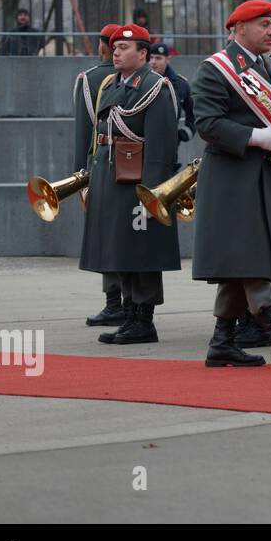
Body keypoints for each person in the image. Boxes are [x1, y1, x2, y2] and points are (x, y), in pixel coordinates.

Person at [192, 0, 271, 367]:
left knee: (239, 262)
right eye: (264, 25)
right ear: (238, 28)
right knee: (252, 257)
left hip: (266, 177)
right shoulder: (217, 69)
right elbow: (207, 123)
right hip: (232, 179)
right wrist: (255, 137)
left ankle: (222, 342)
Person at [80, 25, 180, 345]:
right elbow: (101, 137)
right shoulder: (112, 84)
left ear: (143, 54)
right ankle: (128, 314)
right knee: (120, 249)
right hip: (112, 179)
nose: (117, 52)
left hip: (138, 182)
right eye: (115, 47)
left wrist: (151, 192)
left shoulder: (155, 87)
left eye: (125, 47)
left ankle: (143, 320)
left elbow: (161, 147)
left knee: (142, 252)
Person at [72, 24, 127, 328]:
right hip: (132, 165)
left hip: (101, 165)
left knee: (106, 237)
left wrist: (80, 178)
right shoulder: (146, 79)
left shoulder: (89, 79)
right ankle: (131, 304)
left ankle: (113, 302)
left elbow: (84, 132)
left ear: (102, 46)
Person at [148, 43, 195, 146]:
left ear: (168, 59)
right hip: (145, 143)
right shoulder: (142, 82)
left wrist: (183, 134)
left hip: (170, 145)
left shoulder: (181, 84)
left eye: (158, 58)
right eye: (151, 58)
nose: (153, 62)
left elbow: (193, 113)